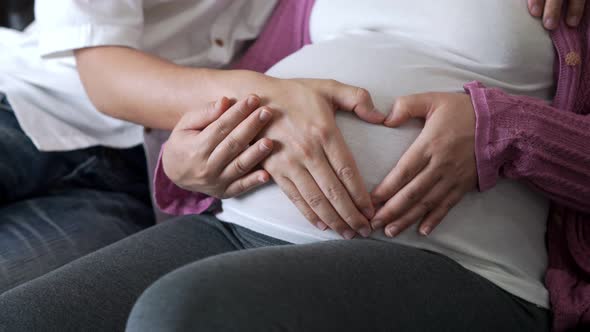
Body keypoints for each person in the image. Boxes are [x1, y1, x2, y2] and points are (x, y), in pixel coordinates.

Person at [0, 1, 588, 332]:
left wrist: (507, 131)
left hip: (458, 263)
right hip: (232, 224)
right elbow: (228, 101)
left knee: (182, 316)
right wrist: (184, 166)